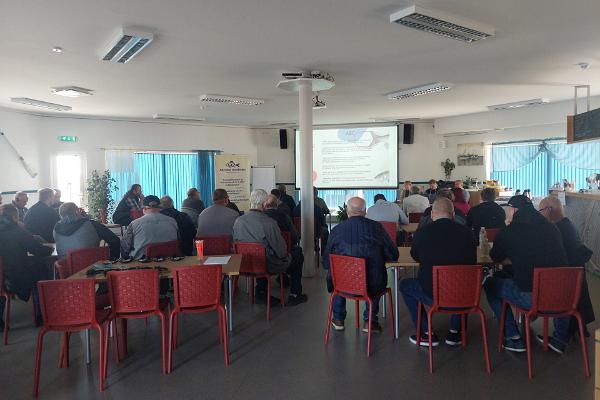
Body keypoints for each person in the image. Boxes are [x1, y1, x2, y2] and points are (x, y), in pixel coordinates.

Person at [484, 195, 568, 353]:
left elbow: (496, 257)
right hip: (563, 295)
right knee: (551, 279)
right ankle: (559, 339)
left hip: (532, 297)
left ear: (513, 210)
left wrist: (507, 228)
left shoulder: (509, 231)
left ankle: (513, 337)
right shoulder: (552, 227)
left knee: (490, 284)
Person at [400, 198, 476, 346]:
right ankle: (455, 332)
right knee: (459, 281)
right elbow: (472, 259)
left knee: (405, 285)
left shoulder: (422, 233)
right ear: (453, 214)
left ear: (433, 215)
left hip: (432, 294)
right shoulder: (468, 233)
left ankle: (425, 332)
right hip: (463, 295)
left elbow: (415, 256)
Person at [322, 197, 399, 333]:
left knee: (336, 275)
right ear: (365, 212)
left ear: (347, 211)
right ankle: (370, 321)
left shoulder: (336, 230)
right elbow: (393, 255)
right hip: (372, 284)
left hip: (343, 284)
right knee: (375, 274)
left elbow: (326, 263)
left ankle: (338, 318)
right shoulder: (377, 228)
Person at [539, 195, 595, 351]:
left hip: (563, 288)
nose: (540, 214)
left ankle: (558, 337)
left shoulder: (556, 231)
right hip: (575, 287)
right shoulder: (568, 226)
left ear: (549, 210)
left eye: (540, 210)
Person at [233, 190, 301, 305]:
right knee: (298, 256)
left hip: (244, 263)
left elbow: (235, 242)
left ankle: (261, 291)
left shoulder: (238, 221)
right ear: (264, 204)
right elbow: (282, 251)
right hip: (266, 265)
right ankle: (295, 294)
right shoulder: (269, 223)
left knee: (261, 254)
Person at [0, 204, 53, 326]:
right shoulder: (17, 231)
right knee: (41, 273)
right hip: (13, 279)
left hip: (3, 279)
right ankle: (40, 315)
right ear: (14, 216)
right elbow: (37, 250)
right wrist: (48, 249)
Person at [263, 194, 307, 305]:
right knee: (297, 254)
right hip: (282, 253)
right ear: (277, 205)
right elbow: (294, 236)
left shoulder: (260, 218)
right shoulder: (284, 216)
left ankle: (262, 289)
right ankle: (294, 293)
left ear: (264, 205)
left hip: (262, 257)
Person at [53, 202, 120, 260]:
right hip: (91, 267)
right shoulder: (91, 224)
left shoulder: (56, 229)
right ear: (77, 211)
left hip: (66, 270)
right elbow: (115, 241)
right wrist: (112, 261)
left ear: (60, 215)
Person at [120, 195, 179, 259]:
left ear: (144, 209)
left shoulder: (134, 224)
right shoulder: (173, 221)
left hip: (142, 265)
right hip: (169, 262)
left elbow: (124, 248)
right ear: (160, 208)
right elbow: (179, 241)